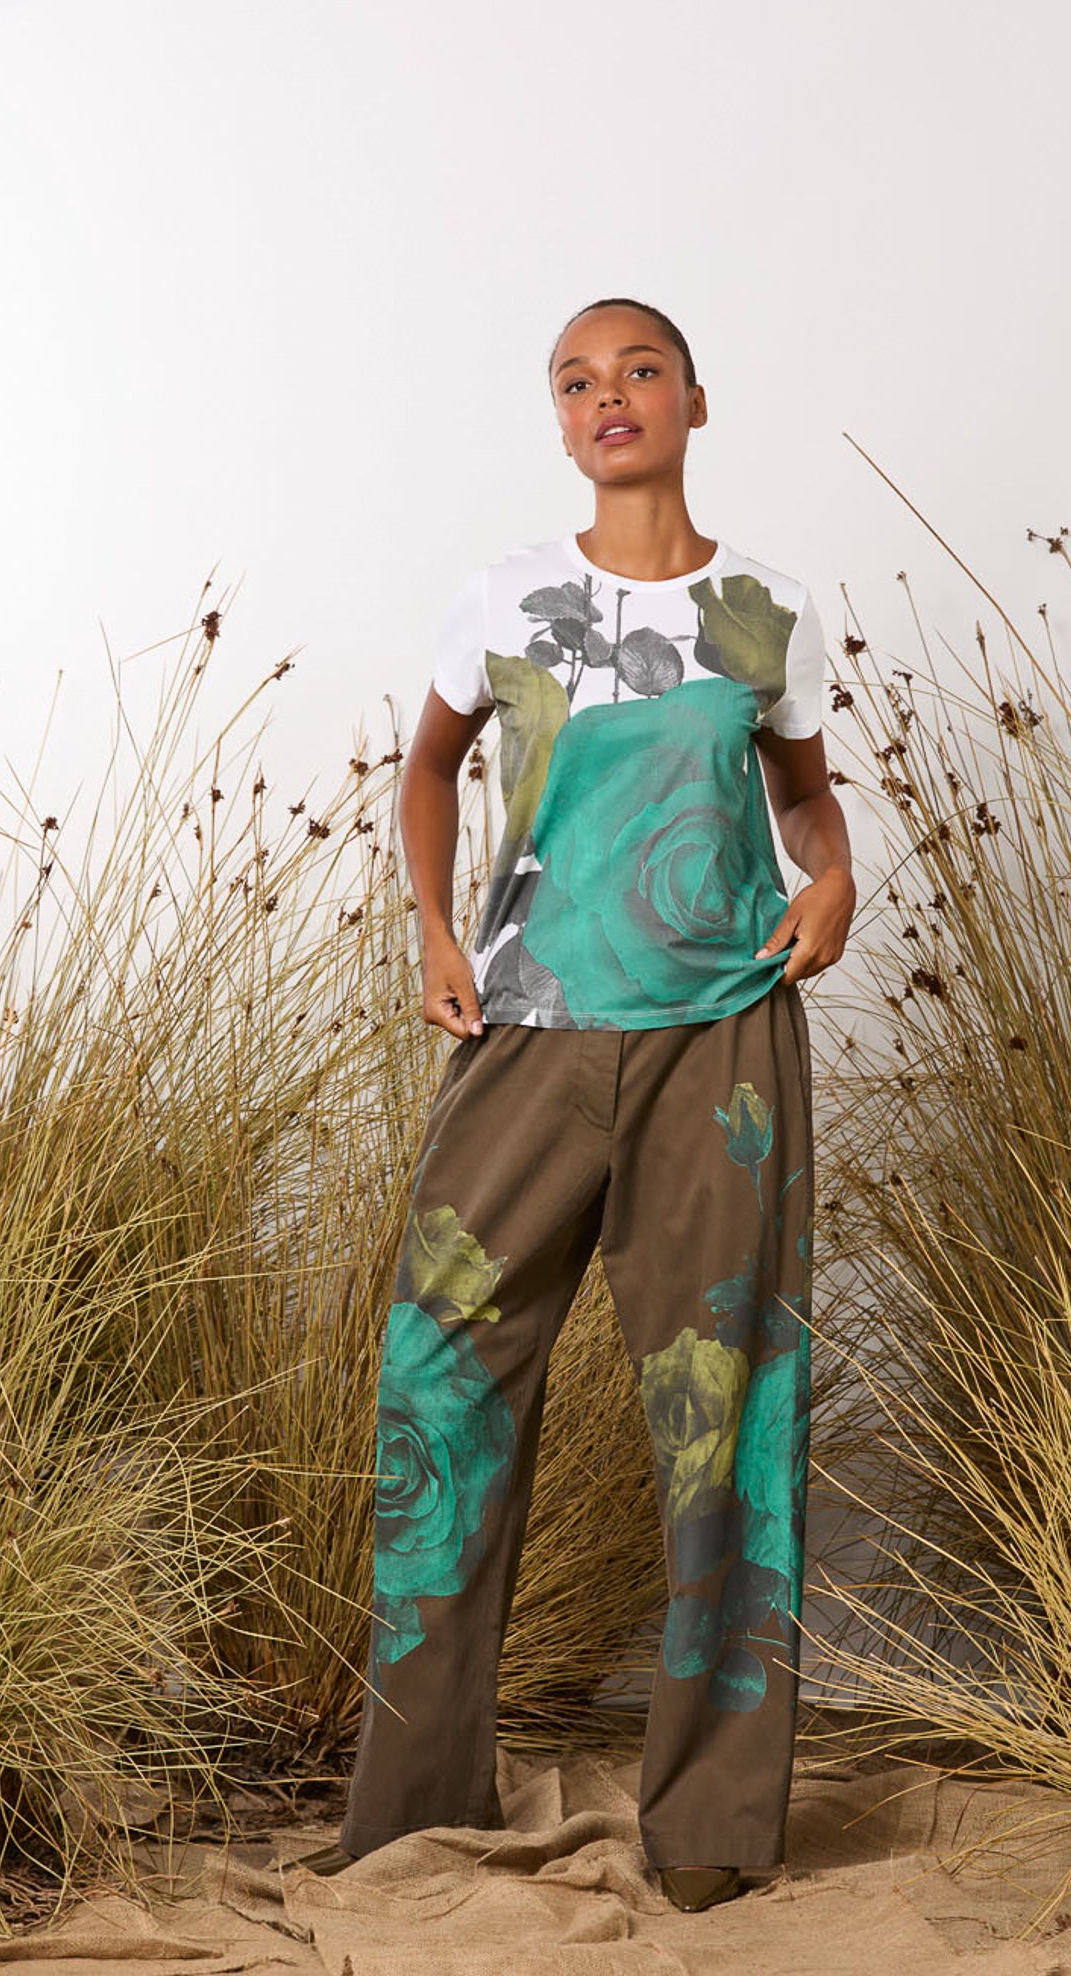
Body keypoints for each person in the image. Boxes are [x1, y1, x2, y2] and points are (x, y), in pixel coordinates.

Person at [297, 298, 855, 1913]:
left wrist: (833, 880)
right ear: (557, 423)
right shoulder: (504, 597)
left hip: (719, 1046)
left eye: (638, 371)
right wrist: (431, 930)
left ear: (693, 401)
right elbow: (426, 768)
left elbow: (805, 798)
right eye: (575, 380)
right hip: (525, 1036)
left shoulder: (768, 608)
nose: (608, 395)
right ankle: (412, 1808)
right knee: (440, 1388)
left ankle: (711, 1829)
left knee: (725, 1413)